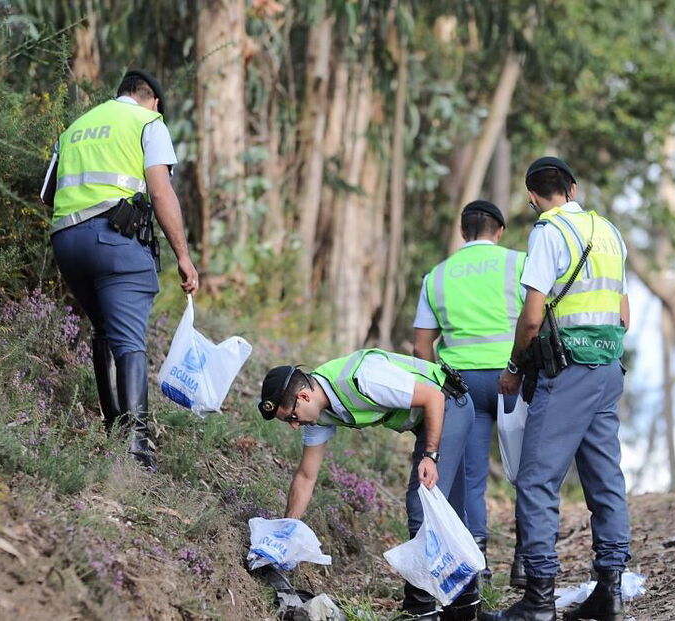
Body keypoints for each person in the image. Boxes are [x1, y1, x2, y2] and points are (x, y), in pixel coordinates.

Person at [485, 157, 631, 621]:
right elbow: (624, 314)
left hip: (567, 371)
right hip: (607, 368)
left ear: (532, 197)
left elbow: (531, 318)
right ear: (573, 187)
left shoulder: (549, 232)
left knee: (536, 481)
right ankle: (610, 592)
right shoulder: (609, 232)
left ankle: (539, 599)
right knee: (605, 480)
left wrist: (514, 366)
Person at [40, 69, 198, 472]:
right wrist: (183, 255)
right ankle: (135, 445)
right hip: (115, 244)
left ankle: (114, 429)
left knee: (105, 332)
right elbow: (160, 190)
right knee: (129, 339)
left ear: (119, 93)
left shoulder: (76, 127)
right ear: (154, 101)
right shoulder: (148, 122)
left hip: (67, 243)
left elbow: (46, 194)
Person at [258, 349, 479, 621]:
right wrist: (285, 534)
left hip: (448, 405)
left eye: (292, 417)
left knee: (421, 506)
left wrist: (431, 456)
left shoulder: (364, 378)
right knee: (449, 511)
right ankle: (465, 605)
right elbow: (305, 476)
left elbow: (433, 397)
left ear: (304, 396)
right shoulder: (317, 413)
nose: (294, 426)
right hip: (429, 417)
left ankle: (420, 609)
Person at [412, 200, 527, 588]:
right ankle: (526, 560)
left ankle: (476, 561)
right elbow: (535, 319)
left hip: (462, 387)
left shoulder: (437, 276)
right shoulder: (518, 263)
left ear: (463, 232)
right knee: (529, 471)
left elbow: (421, 346)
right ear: (500, 231)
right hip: (513, 378)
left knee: (471, 478)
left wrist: (436, 388)